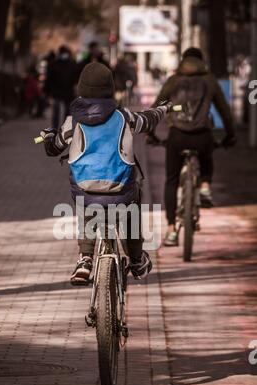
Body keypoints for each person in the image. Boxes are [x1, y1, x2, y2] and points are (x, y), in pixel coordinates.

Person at [40, 62, 172, 284]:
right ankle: (137, 260)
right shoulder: (124, 117)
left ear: (81, 88)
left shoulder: (73, 121)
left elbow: (54, 148)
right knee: (132, 207)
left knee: (85, 206)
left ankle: (85, 259)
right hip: (121, 190)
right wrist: (162, 109)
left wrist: (47, 137)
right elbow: (147, 121)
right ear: (110, 88)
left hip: (85, 191)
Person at [150, 47, 236, 247]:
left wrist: (150, 134)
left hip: (177, 136)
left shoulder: (173, 81)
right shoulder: (210, 80)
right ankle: (205, 186)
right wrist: (230, 135)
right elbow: (224, 111)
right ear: (202, 62)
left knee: (171, 180)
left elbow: (156, 109)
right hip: (202, 136)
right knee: (207, 156)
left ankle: (171, 231)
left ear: (183, 61)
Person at [44, 45, 78, 129]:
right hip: (57, 92)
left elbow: (75, 77)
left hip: (68, 92)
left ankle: (65, 129)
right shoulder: (54, 64)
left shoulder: (72, 63)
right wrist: (48, 91)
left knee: (67, 112)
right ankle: (55, 129)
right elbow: (49, 79)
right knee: (56, 112)